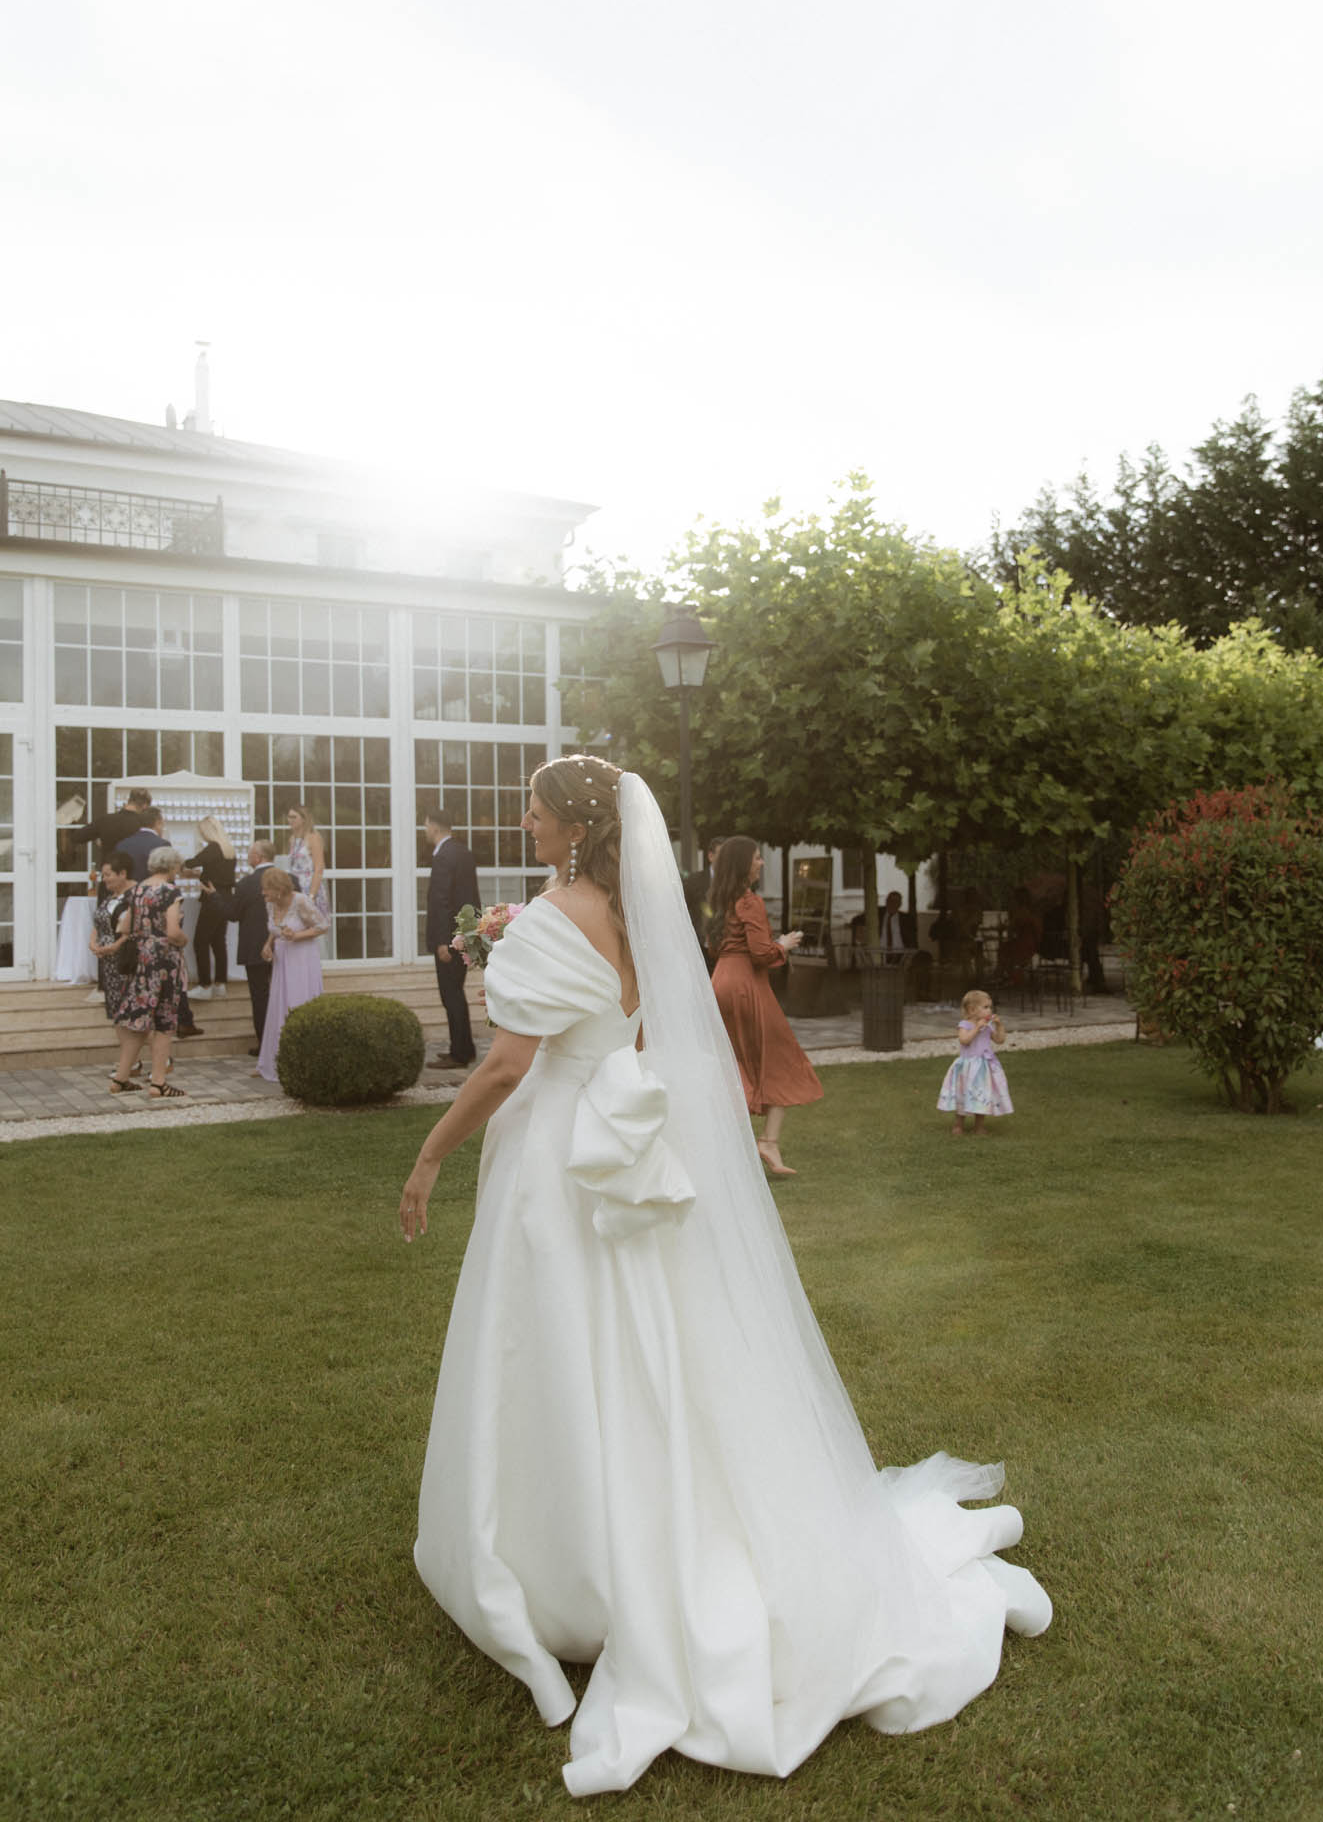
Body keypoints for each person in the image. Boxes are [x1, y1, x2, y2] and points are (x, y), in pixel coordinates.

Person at [398, 757, 1049, 1798]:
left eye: (534, 809)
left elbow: (509, 1064)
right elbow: (636, 1031)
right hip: (615, 1137)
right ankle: (634, 1523)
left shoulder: (554, 919)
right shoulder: (630, 914)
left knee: (556, 1332)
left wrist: (429, 1155)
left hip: (559, 1153)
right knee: (638, 1330)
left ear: (574, 826)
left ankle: (568, 1555)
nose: (521, 820)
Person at [708, 834, 822, 1177]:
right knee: (780, 1058)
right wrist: (783, 945)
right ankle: (768, 1141)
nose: (761, 862)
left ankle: (730, 1145)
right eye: (757, 857)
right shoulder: (749, 902)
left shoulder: (719, 901)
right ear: (743, 864)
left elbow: (716, 946)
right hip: (746, 985)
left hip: (720, 981)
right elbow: (760, 953)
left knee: (734, 1063)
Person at [108, 844, 190, 1098]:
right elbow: (173, 931)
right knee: (164, 1021)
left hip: (141, 960)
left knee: (138, 1022)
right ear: (172, 866)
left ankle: (120, 1078)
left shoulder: (137, 890)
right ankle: (158, 1083)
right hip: (164, 961)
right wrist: (183, 941)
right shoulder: (170, 891)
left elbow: (124, 927)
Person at [254, 869, 328, 1082]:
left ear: (278, 889)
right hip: (282, 960)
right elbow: (275, 928)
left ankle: (304, 1063)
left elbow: (323, 926)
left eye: (266, 889)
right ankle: (273, 1061)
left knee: (297, 1003)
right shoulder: (271, 904)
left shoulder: (301, 901)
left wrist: (297, 935)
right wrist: (268, 944)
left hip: (302, 960)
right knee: (279, 1006)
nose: (263, 893)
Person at [422, 808, 481, 1070]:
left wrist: (443, 941)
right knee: (455, 993)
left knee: (451, 995)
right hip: (462, 934)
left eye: (426, 825)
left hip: (449, 940)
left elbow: (442, 901)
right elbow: (470, 898)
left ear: (434, 826)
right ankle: (464, 1049)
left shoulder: (444, 856)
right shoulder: (462, 852)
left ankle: (460, 1054)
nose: (425, 830)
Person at [205, 841, 277, 1054]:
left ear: (258, 857)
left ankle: (265, 1045)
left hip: (255, 947)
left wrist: (214, 896)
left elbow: (233, 914)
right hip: (284, 945)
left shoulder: (246, 883)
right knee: (283, 993)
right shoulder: (290, 879)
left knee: (260, 996)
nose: (247, 857)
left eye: (249, 853)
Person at [936, 990, 1013, 1136]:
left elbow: (999, 1040)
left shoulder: (988, 1026)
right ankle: (958, 1124)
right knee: (963, 1094)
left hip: (984, 1068)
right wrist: (977, 1028)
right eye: (985, 1007)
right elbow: (964, 1040)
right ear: (972, 1010)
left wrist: (999, 1026)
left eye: (990, 1007)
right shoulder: (965, 1025)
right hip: (967, 1068)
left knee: (982, 1094)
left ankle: (979, 1126)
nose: (990, 1010)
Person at [181, 815, 237, 1000]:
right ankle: (220, 983)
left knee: (200, 941)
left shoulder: (213, 848)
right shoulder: (228, 849)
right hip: (226, 897)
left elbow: (192, 862)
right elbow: (217, 873)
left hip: (212, 898)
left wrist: (180, 864)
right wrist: (199, 875)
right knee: (218, 941)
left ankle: (205, 985)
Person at [87, 851, 137, 1035]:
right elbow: (98, 923)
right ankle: (128, 1053)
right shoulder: (110, 896)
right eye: (103, 875)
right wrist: (93, 942)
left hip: (126, 961)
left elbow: (136, 928)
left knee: (130, 1012)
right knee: (116, 1012)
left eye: (108, 875)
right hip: (108, 963)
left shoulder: (136, 895)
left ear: (122, 873)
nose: (104, 879)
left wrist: (115, 946)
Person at [681, 835, 725, 956]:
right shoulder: (694, 881)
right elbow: (682, 910)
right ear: (711, 856)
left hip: (726, 951)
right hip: (698, 949)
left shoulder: (736, 883)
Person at [286, 804, 329, 918]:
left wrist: (311, 896)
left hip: (309, 886)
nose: (290, 820)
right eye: (289, 817)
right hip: (295, 887)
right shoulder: (292, 839)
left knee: (311, 922)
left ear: (304, 819)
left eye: (294, 817)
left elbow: (319, 868)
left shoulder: (313, 837)